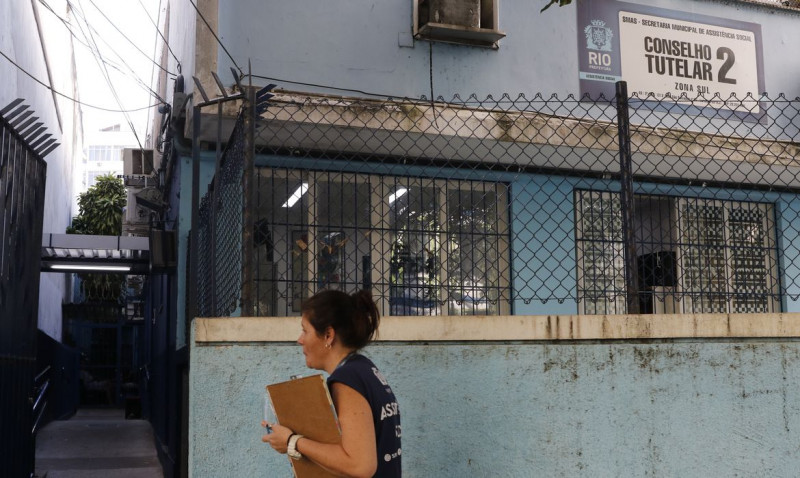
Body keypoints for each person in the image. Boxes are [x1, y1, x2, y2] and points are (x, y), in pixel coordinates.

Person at [262, 289, 402, 478]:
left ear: (328, 335)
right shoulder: (364, 369)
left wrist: (292, 441)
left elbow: (360, 466)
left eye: (305, 330)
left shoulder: (346, 381)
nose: (300, 340)